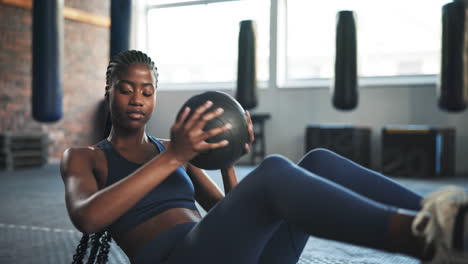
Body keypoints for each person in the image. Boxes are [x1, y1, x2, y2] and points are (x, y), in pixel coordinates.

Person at [60, 50, 468, 264]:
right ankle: (425, 239)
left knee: (320, 161)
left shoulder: (170, 149)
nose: (137, 99)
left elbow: (228, 211)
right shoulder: (84, 157)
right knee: (273, 171)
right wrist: (174, 158)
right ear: (108, 90)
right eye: (126, 88)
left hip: (230, 255)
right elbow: (89, 217)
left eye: (147, 91)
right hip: (177, 260)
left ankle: (450, 219)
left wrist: (229, 163)